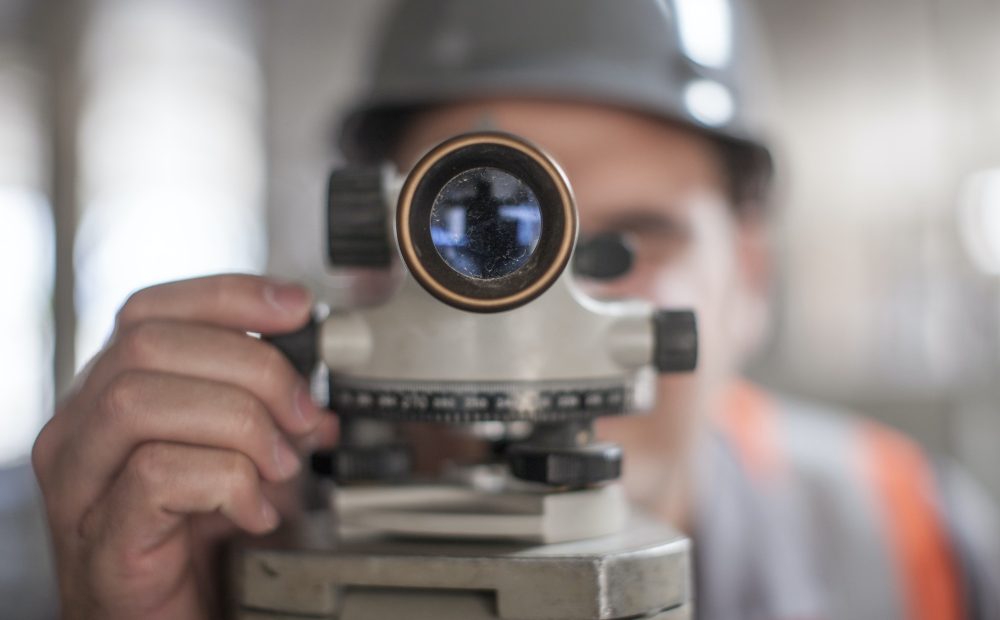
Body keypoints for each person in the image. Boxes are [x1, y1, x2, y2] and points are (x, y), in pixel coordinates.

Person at [32, 0, 1000, 618]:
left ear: (748, 275)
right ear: (373, 248)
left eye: (626, 240)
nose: (534, 284)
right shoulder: (124, 531)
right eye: (483, 231)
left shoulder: (912, 538)